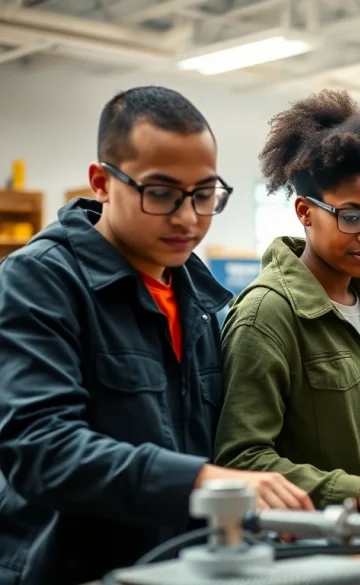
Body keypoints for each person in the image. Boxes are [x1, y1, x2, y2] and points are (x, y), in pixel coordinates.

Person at [0, 86, 309, 585]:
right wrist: (202, 481)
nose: (188, 218)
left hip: (182, 567)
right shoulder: (40, 281)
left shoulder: (198, 296)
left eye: (205, 195)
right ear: (101, 182)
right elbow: (41, 449)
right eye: (160, 193)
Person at [213, 90, 360, 516]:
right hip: (314, 551)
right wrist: (357, 491)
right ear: (305, 211)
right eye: (352, 216)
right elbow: (240, 459)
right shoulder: (267, 314)